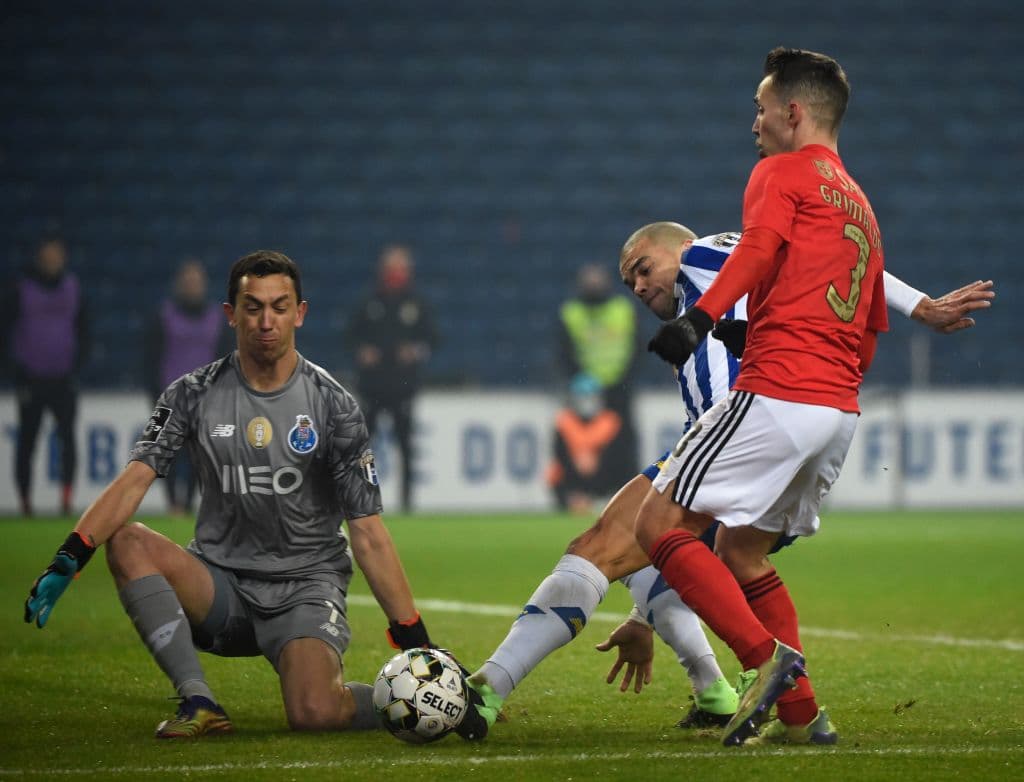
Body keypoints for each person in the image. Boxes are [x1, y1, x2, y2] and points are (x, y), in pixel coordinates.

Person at [462, 218, 994, 741]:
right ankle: (782, 709)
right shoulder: (699, 316)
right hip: (772, 439)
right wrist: (643, 621)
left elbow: (829, 256)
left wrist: (921, 305)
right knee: (706, 561)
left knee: (602, 544)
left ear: (684, 248)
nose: (639, 285)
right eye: (630, 282)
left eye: (644, 268)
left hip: (749, 429)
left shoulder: (706, 255)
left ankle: (487, 688)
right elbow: (839, 266)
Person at [23, 251, 487, 740]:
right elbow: (135, 477)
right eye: (253, 307)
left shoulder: (334, 405)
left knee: (314, 714)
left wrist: (419, 645)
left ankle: (392, 700)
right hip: (221, 587)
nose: (267, 321)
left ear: (300, 313)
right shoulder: (192, 393)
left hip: (305, 587)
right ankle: (199, 702)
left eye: (280, 307)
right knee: (127, 541)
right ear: (231, 314)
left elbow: (367, 533)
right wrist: (72, 553)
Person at [635, 47, 956, 747]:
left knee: (657, 524)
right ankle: (803, 716)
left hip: (780, 393)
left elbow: (755, 251)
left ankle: (764, 661)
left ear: (793, 112)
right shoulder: (861, 208)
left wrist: (700, 320)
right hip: (836, 409)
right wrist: (801, 357)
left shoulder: (778, 172)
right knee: (744, 553)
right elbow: (868, 320)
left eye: (759, 108)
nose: (752, 122)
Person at [345, 244, 438, 513]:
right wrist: (362, 351)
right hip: (372, 385)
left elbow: (433, 338)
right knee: (364, 449)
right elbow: (350, 337)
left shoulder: (417, 304)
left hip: (403, 386)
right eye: (392, 268)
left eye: (400, 268)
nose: (396, 274)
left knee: (406, 447)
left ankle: (408, 502)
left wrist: (416, 350)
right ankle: (361, 499)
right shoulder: (369, 302)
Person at [7, 236, 89, 517]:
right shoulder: (21, 289)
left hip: (63, 378)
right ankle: (25, 501)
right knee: (27, 441)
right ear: (40, 258)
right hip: (31, 379)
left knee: (68, 439)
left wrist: (77, 366)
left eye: (57, 256)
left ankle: (66, 499)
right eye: (48, 256)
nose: (53, 261)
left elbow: (84, 330)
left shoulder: (73, 288)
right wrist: (16, 372)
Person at [143, 258, 231, 514]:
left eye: (197, 281)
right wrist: (153, 394)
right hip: (167, 397)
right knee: (162, 452)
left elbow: (226, 359)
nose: (192, 286)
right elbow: (150, 357)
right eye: (188, 281)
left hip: (205, 397)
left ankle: (190, 503)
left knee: (198, 454)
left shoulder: (217, 318)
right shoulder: (162, 316)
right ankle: (173, 503)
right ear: (180, 284)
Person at [557, 263, 641, 484]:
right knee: (583, 445)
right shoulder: (571, 313)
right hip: (585, 391)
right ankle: (581, 489)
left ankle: (624, 488)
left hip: (619, 388)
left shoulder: (623, 309)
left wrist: (628, 378)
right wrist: (577, 378)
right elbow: (563, 351)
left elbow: (638, 347)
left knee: (623, 443)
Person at [547, 373, 629, 513]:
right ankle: (571, 500)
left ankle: (607, 498)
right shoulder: (565, 421)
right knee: (554, 471)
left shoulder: (610, 421)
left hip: (602, 475)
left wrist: (596, 459)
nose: (587, 402)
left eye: (591, 397)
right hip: (572, 474)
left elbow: (617, 455)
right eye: (582, 397)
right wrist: (577, 462)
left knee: (624, 467)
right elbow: (559, 454)